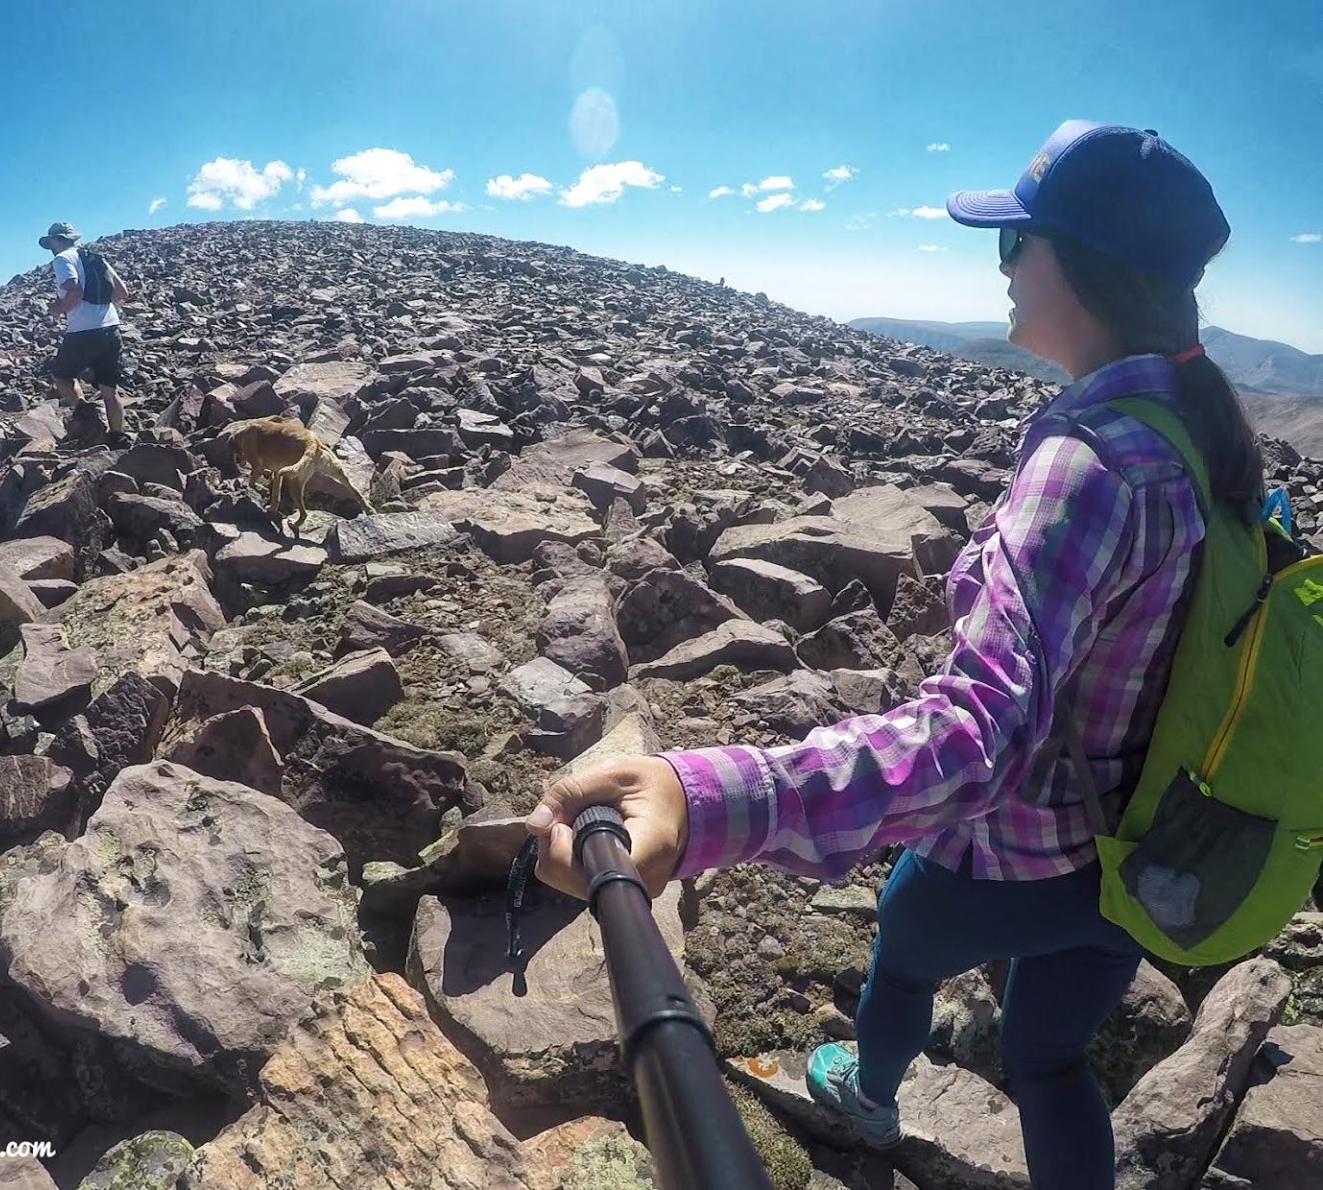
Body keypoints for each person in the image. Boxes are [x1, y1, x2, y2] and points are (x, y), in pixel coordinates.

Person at [526, 121, 1261, 1190]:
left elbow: (978, 735)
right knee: (1051, 1058)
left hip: (1009, 855)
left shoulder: (1088, 462)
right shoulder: (1198, 445)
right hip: (1137, 863)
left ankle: (869, 1100)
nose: (1002, 268)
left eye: (1018, 245)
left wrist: (713, 796)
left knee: (900, 954)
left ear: (1089, 265)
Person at [38, 221, 131, 439]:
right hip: (110, 327)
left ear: (55, 240)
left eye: (51, 241)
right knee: (109, 390)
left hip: (83, 331)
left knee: (62, 376)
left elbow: (74, 289)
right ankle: (117, 438)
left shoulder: (62, 259)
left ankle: (84, 411)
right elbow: (122, 292)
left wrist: (58, 309)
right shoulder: (96, 258)